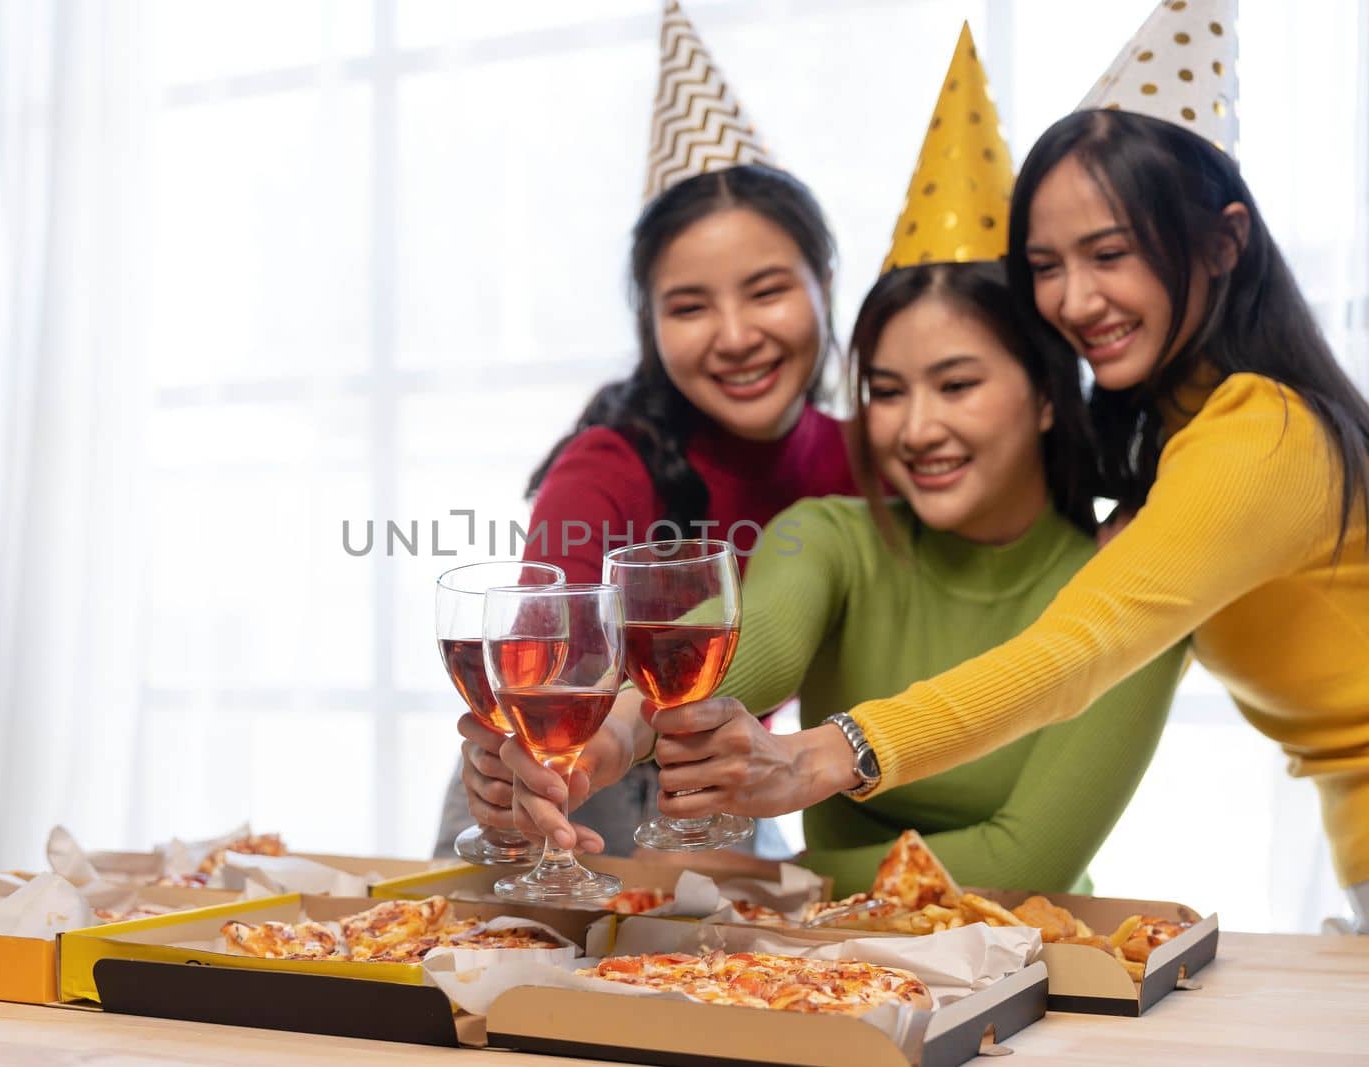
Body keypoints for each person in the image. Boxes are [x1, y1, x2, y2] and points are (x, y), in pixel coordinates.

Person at [576, 106, 1369, 930]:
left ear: (1223, 242)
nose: (1076, 297)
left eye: (1111, 252)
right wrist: (608, 734)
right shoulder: (1161, 470)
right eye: (1047, 266)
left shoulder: (1254, 441)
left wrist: (803, 797)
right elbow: (746, 642)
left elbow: (1073, 656)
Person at [497, 27, 1188, 895]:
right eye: (890, 391)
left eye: (959, 383)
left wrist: (769, 874)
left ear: (1049, 394)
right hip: (766, 925)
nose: (915, 428)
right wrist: (612, 734)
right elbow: (747, 645)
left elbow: (1028, 863)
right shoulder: (823, 527)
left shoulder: (1131, 575)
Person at [434, 4, 861, 859]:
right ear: (651, 326)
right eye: (690, 305)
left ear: (823, 286)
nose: (736, 334)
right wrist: (519, 776)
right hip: (576, 786)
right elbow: (542, 683)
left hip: (722, 783)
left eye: (768, 290)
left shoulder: (863, 465)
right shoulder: (607, 466)